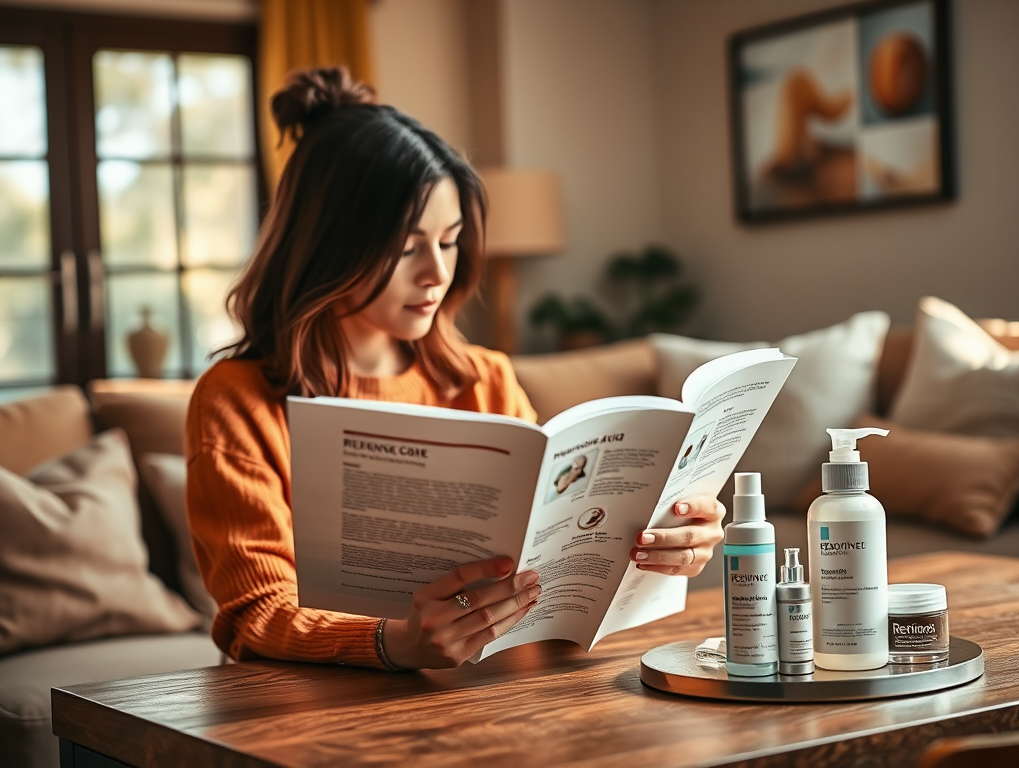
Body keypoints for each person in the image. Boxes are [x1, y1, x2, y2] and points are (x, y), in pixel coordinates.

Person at [185, 66, 725, 672]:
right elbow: (255, 610)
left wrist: (662, 544)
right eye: (408, 246)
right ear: (329, 246)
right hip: (316, 708)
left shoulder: (484, 378)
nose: (437, 274)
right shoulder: (237, 401)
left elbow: (550, 556)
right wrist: (394, 642)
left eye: (450, 241)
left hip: (492, 692)